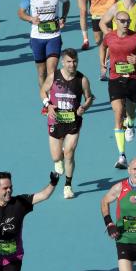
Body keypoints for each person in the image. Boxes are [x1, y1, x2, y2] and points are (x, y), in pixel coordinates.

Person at [99, 10, 136, 169]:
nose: (126, 24)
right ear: (116, 22)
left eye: (128, 21)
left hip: (133, 80)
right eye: (122, 21)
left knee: (131, 113)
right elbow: (102, 48)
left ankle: (131, 123)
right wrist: (102, 64)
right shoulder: (109, 36)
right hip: (115, 79)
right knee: (118, 113)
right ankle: (122, 156)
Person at [40, 48, 94, 199]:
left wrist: (84, 107)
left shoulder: (82, 79)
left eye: (75, 61)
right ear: (63, 62)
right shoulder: (54, 76)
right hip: (55, 121)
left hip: (73, 121)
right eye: (69, 61)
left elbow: (89, 97)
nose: (72, 64)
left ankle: (68, 186)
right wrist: (47, 104)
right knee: (56, 156)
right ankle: (58, 160)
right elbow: (43, 91)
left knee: (69, 152)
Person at [18, 0, 69, 91]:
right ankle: (45, 101)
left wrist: (63, 17)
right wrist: (31, 19)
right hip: (37, 38)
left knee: (52, 71)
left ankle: (52, 101)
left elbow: (67, 2)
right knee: (41, 73)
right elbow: (20, 13)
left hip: (54, 36)